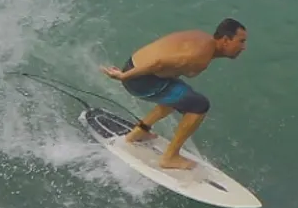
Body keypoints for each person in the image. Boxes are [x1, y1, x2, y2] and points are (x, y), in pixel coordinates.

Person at [100, 18, 248, 169]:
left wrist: (127, 72)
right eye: (241, 41)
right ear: (225, 40)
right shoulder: (201, 56)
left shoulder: (202, 38)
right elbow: (159, 63)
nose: (243, 47)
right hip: (140, 79)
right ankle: (169, 158)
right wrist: (124, 76)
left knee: (179, 94)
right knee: (199, 105)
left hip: (135, 67)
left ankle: (139, 132)